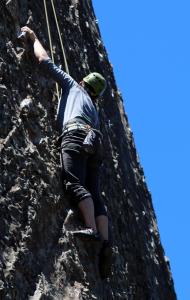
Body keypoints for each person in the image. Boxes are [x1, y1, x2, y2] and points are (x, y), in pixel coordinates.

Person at [21, 26, 112, 279]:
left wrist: (34, 37)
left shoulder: (73, 87)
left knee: (73, 182)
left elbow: (44, 61)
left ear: (84, 82)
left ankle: (92, 229)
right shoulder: (94, 110)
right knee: (95, 191)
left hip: (75, 135)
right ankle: (106, 242)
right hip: (95, 142)